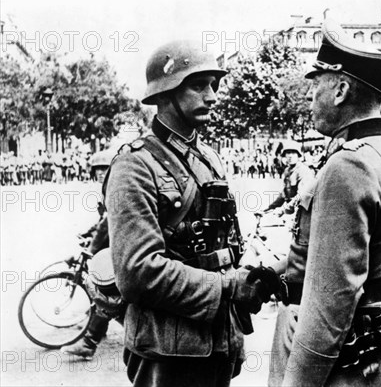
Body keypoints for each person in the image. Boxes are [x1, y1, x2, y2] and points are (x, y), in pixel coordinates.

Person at [269, 19, 381, 387]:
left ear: (340, 90)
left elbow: (331, 300)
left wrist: (298, 381)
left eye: (315, 88)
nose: (311, 100)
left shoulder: (348, 164)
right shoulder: (380, 152)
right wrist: (274, 271)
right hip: (378, 328)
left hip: (344, 357)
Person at [105, 40, 279, 387]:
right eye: (198, 86)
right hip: (167, 350)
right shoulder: (134, 166)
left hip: (219, 342)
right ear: (165, 93)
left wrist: (250, 276)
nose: (212, 96)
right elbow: (138, 273)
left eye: (213, 85)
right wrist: (230, 286)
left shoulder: (209, 158)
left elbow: (229, 243)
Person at [61, 149, 115, 359]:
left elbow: (108, 222)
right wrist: (88, 233)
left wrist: (92, 248)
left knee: (110, 293)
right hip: (111, 239)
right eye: (97, 169)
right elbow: (102, 220)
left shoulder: (114, 187)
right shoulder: (105, 189)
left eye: (104, 169)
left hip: (119, 243)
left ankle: (90, 341)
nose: (101, 173)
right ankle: (98, 325)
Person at [263, 140, 313, 214]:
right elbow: (283, 194)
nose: (290, 156)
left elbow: (301, 195)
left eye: (293, 153)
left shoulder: (303, 170)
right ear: (285, 155)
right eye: (288, 153)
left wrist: (283, 210)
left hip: (305, 210)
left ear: (298, 155)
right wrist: (269, 208)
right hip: (293, 208)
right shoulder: (287, 171)